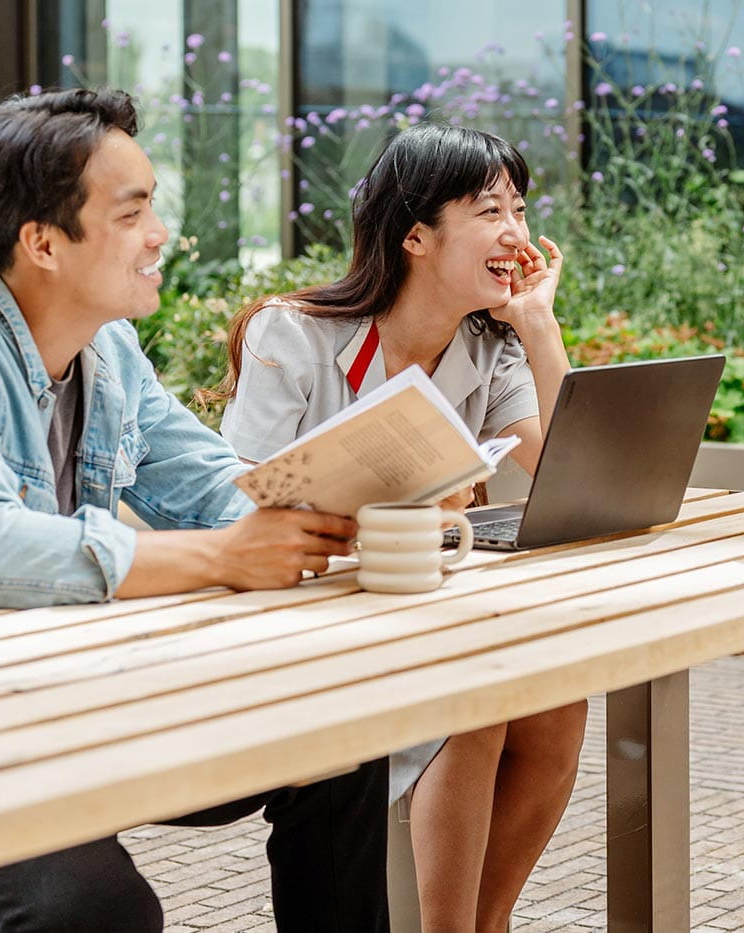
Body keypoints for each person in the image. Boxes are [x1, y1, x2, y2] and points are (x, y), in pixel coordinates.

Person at [0, 88, 386, 933]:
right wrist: (220, 558)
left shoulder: (110, 352)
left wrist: (370, 486)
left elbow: (219, 484)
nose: (159, 233)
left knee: (339, 743)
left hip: (35, 700)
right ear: (43, 242)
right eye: (132, 213)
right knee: (93, 912)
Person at [218, 122, 583, 933]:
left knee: (559, 695)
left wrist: (538, 324)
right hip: (305, 616)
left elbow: (569, 465)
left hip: (417, 599)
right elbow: (239, 503)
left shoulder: (492, 343)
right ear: (415, 234)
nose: (516, 233)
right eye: (490, 210)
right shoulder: (296, 334)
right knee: (480, 692)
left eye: (520, 209)